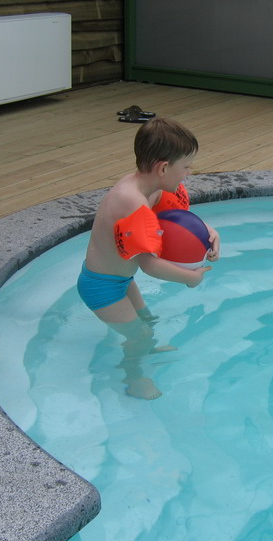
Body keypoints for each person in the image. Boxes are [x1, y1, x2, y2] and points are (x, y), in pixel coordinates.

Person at [77, 117, 220, 399]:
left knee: (147, 319)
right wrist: (190, 278)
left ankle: (147, 350)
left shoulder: (149, 188)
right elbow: (149, 264)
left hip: (120, 280)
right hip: (101, 287)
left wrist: (209, 232)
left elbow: (176, 221)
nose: (188, 173)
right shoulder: (131, 202)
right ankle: (134, 379)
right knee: (138, 335)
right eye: (186, 167)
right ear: (164, 168)